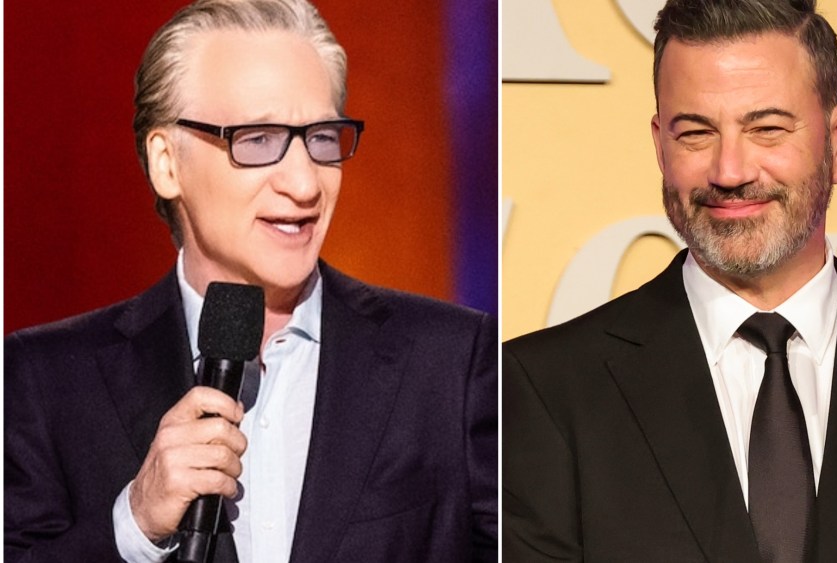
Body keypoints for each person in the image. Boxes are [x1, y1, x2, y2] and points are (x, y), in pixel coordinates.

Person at [502, 0, 837, 561]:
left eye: (767, 129)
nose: (729, 171)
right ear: (660, 145)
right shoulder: (544, 390)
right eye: (696, 133)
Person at [5, 1, 497, 561]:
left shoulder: (451, 362)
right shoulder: (45, 380)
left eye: (322, 138)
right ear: (167, 163)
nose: (304, 183)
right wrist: (134, 525)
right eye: (258, 139)